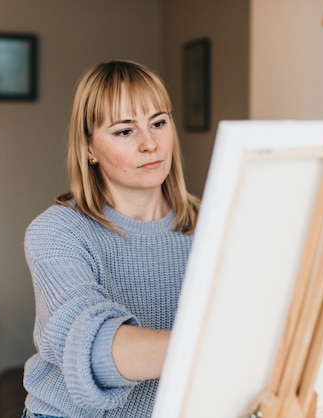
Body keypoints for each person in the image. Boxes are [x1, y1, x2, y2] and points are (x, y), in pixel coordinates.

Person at [22, 60, 200, 417]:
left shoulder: (211, 227)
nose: (150, 144)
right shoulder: (56, 232)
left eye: (159, 123)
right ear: (89, 148)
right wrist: (220, 345)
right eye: (124, 131)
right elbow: (94, 346)